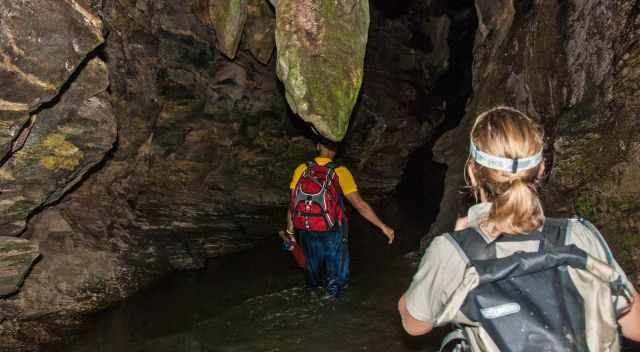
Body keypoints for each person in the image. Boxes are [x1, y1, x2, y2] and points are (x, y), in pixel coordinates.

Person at [397, 106, 640, 351]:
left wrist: (460, 242)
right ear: (542, 169)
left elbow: (414, 325)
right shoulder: (579, 236)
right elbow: (634, 324)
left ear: (472, 173)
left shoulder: (453, 252)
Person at [285, 138, 395, 299]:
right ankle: (334, 302)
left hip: (306, 228)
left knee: (312, 269)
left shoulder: (302, 168)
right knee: (337, 276)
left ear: (317, 146)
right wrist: (383, 226)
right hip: (333, 230)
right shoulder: (340, 172)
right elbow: (360, 205)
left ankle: (312, 293)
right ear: (335, 151)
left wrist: (290, 230)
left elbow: (293, 203)